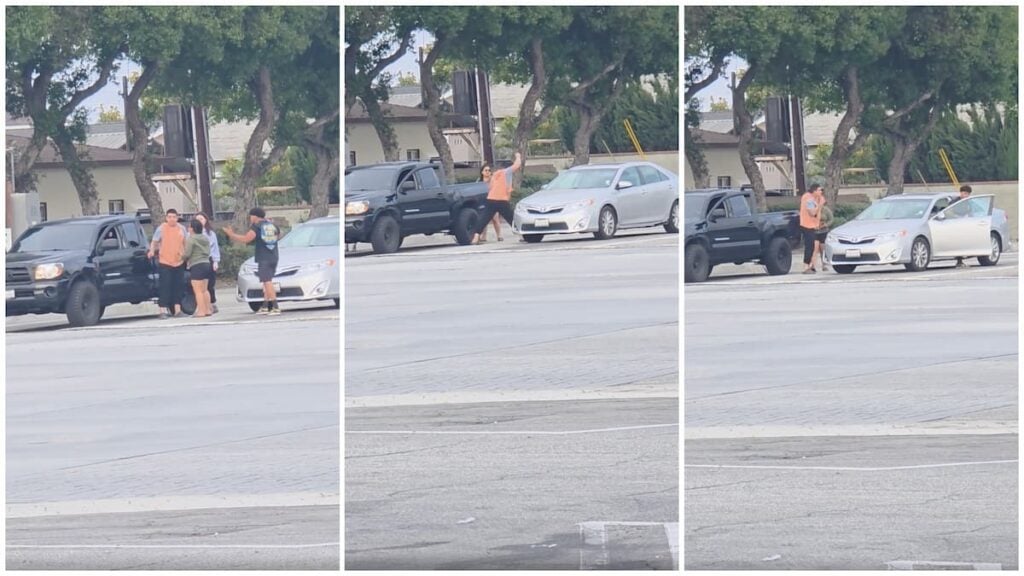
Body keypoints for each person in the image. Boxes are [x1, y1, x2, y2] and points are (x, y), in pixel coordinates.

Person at [225, 207, 281, 315]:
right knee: (266, 282)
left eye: (251, 216)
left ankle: (275, 306)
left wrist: (232, 235)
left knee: (267, 282)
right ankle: (265, 306)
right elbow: (278, 236)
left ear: (255, 216)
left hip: (264, 257)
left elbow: (246, 239)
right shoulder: (272, 225)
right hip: (273, 255)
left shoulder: (257, 227)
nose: (250, 218)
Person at [471, 152, 522, 245]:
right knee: (511, 218)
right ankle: (521, 235)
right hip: (501, 199)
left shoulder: (495, 174)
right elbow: (517, 165)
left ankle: (476, 236)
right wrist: (518, 156)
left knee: (484, 219)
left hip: (491, 199)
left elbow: (491, 187)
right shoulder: (506, 172)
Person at [148, 209, 188, 318]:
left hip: (179, 262)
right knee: (165, 286)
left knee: (178, 286)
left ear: (177, 217)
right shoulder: (161, 228)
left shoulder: (182, 229)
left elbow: (186, 243)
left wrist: (187, 257)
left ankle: (177, 310)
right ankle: (162, 310)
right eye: (169, 217)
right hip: (165, 262)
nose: (171, 219)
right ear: (166, 218)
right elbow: (154, 242)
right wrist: (151, 251)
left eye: (174, 217)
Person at [184, 219, 213, 317]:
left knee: (198, 290)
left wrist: (180, 256)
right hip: (207, 263)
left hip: (197, 264)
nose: (188, 229)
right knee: (205, 289)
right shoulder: (205, 238)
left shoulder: (191, 239)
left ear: (192, 229)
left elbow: (187, 253)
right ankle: (208, 309)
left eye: (189, 227)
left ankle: (201, 311)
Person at [194, 212, 221, 314]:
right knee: (199, 285)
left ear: (206, 220)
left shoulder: (210, 233)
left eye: (201, 219)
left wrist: (216, 261)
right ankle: (203, 305)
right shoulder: (191, 234)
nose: (200, 221)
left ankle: (212, 303)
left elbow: (215, 249)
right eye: (198, 219)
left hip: (209, 259)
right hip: (197, 260)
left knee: (210, 284)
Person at [799, 184, 822, 274]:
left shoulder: (812, 198)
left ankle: (810, 265)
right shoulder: (808, 198)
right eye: (819, 190)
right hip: (807, 225)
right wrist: (819, 206)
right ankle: (806, 266)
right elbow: (812, 212)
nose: (821, 192)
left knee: (812, 246)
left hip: (811, 225)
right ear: (814, 191)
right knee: (809, 246)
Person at [814, 188, 833, 272]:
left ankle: (824, 264)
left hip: (823, 231)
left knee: (822, 248)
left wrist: (825, 225)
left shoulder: (826, 210)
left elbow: (831, 219)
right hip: (814, 231)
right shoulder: (812, 209)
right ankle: (811, 265)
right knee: (814, 249)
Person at [953, 185, 972, 268]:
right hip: (957, 224)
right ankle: (959, 261)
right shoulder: (955, 202)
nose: (966, 196)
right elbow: (951, 211)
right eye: (964, 193)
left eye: (968, 194)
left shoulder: (969, 202)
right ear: (960, 193)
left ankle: (961, 260)